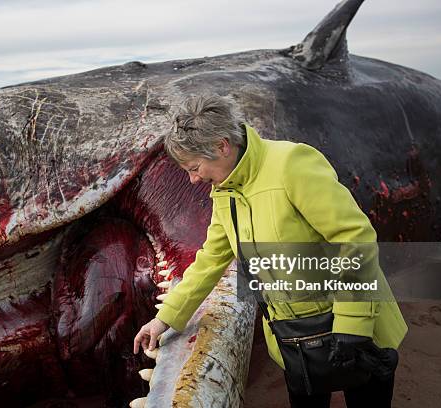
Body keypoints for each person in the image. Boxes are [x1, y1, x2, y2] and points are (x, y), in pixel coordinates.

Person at [133, 94, 408, 408]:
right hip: (295, 340)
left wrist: (351, 325)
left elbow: (354, 236)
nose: (193, 178)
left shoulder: (292, 164)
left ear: (222, 146)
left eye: (195, 167)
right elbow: (211, 258)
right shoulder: (225, 191)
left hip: (355, 330)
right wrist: (165, 319)